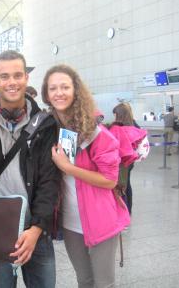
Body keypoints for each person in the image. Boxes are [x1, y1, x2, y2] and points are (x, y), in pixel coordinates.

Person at [0, 50, 59, 288]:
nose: (12, 82)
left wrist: (37, 228)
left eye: (18, 75)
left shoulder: (45, 124)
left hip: (37, 231)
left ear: (26, 78)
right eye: (4, 76)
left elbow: (50, 180)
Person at [42, 64, 130, 288]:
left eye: (65, 87)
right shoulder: (51, 127)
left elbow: (110, 180)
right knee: (84, 280)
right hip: (71, 222)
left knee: (103, 283)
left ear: (75, 91)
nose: (59, 93)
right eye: (53, 88)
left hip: (100, 220)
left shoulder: (97, 133)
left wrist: (68, 168)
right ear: (46, 94)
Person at [109, 103, 148, 215]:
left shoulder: (120, 129)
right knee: (127, 184)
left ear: (120, 115)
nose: (114, 117)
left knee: (121, 187)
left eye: (115, 114)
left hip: (122, 162)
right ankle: (128, 211)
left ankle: (124, 213)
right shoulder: (134, 125)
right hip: (130, 161)